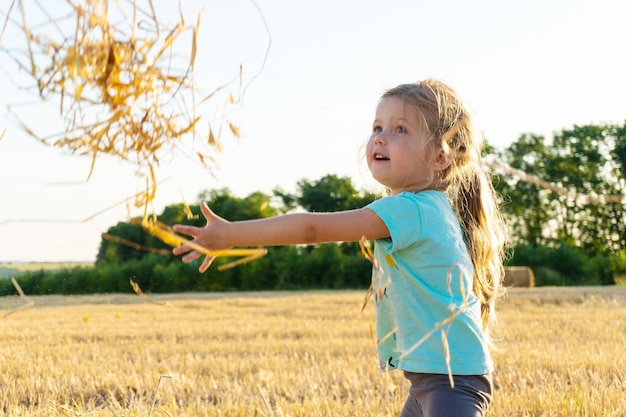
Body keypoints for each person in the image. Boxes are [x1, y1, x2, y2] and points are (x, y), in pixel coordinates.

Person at [172, 79, 508, 417]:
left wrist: (231, 235)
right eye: (377, 127)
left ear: (439, 157)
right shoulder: (425, 208)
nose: (380, 137)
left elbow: (311, 229)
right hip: (433, 379)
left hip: (450, 382)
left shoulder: (411, 210)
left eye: (400, 130)